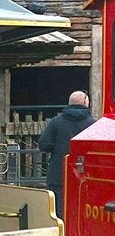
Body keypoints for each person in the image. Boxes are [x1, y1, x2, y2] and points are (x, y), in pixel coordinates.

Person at [38, 90, 95, 218]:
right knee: (81, 209)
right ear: (86, 103)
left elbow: (44, 145)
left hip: (59, 174)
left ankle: (61, 235)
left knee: (58, 211)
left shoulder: (56, 122)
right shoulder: (93, 124)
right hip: (85, 175)